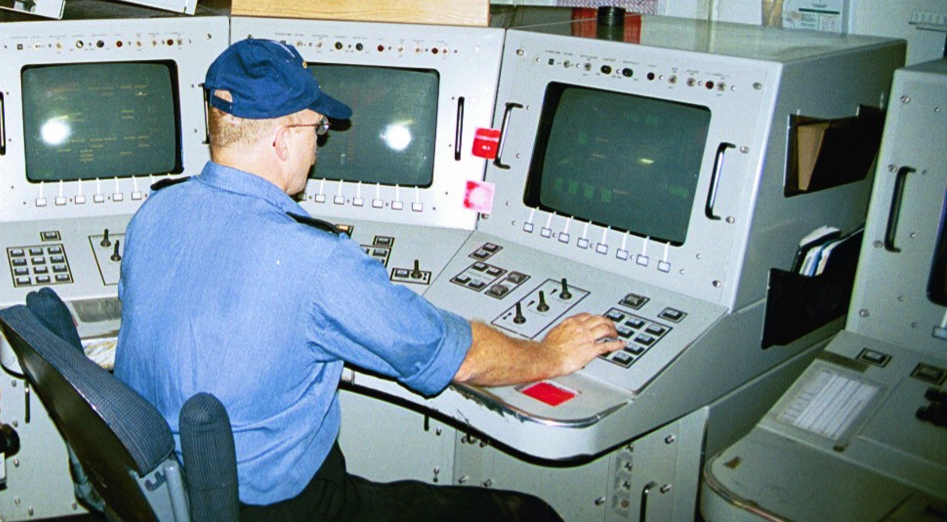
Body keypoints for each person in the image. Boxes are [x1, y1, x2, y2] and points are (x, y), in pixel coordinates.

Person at [114, 37, 625, 522]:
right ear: (282, 139)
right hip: (279, 510)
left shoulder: (155, 214)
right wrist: (551, 355)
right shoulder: (317, 262)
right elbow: (456, 357)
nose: (317, 148)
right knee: (529, 515)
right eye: (317, 131)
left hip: (167, 491)